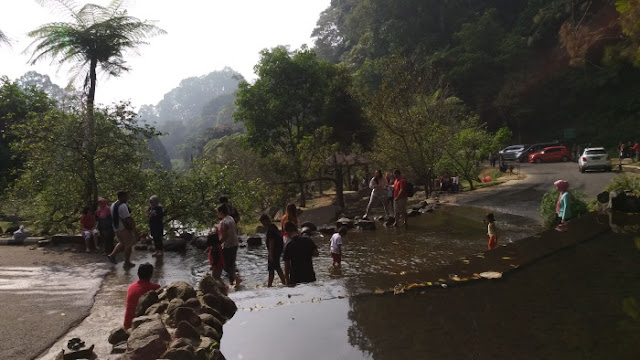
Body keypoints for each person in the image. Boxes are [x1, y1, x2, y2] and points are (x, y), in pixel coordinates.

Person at [123, 262, 160, 329]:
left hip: (127, 324)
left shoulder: (131, 286)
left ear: (138, 274)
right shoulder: (155, 288)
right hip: (138, 325)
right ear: (151, 275)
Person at [282, 221, 318, 286]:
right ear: (296, 229)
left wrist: (287, 283)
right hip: (309, 276)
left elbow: (287, 267)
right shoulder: (308, 240)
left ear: (287, 232)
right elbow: (316, 254)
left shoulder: (288, 245)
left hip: (296, 278)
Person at [107, 191, 137, 268]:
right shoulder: (123, 206)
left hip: (116, 227)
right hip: (123, 228)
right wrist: (133, 227)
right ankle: (127, 262)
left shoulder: (113, 205)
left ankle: (112, 255)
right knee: (128, 244)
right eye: (126, 196)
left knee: (122, 243)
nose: (127, 198)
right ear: (122, 196)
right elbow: (127, 218)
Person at [218, 204, 242, 286]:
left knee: (225, 265)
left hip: (228, 245)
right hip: (235, 243)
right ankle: (233, 282)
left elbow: (225, 236)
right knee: (232, 264)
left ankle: (236, 279)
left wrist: (218, 243)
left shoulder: (224, 222)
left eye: (218, 212)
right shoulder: (231, 218)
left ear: (221, 212)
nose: (217, 214)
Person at [260, 214, 286, 287]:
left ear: (266, 220)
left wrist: (270, 254)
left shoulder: (270, 230)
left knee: (271, 269)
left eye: (263, 223)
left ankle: (270, 285)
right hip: (278, 251)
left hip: (274, 252)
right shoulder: (273, 227)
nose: (263, 225)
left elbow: (272, 242)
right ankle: (284, 282)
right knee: (277, 267)